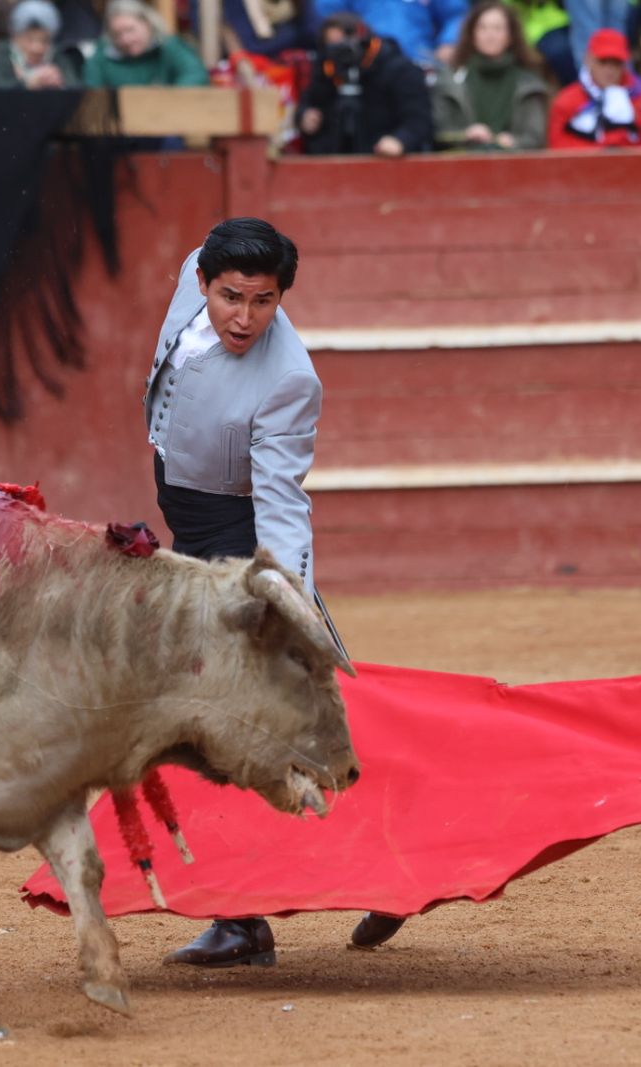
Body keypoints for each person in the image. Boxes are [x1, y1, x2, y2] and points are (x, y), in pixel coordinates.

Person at [146, 218, 404, 966]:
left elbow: (283, 504)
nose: (244, 317)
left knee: (308, 716)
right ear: (203, 281)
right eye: (231, 297)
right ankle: (239, 917)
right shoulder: (194, 269)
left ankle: (393, 870)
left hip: (245, 543)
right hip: (191, 538)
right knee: (198, 727)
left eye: (263, 302)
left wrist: (284, 601)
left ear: (282, 298)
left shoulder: (289, 379)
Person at [298, 13, 434, 156]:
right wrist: (305, 116)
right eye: (332, 46)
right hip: (335, 161)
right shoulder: (326, 69)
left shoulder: (397, 69)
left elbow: (419, 119)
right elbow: (310, 103)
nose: (339, 52)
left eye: (344, 44)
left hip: (385, 160)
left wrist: (401, 140)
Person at [435, 1, 550, 151]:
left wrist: (513, 142)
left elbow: (534, 137)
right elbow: (437, 132)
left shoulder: (529, 83)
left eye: (498, 28)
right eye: (483, 28)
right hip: (462, 164)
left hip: (514, 165)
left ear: (511, 36)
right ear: (472, 34)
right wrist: (465, 135)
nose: (490, 35)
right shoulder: (450, 79)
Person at [547, 26, 641, 148]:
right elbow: (558, 149)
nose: (610, 71)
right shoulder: (565, 102)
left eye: (616, 63)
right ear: (588, 60)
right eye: (603, 62)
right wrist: (603, 150)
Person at [82, 0, 208, 87]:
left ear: (147, 24)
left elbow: (195, 74)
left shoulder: (168, 47)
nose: (126, 39)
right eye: (117, 34)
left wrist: (168, 97)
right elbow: (92, 94)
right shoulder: (101, 59)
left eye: (130, 30)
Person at [312, 0, 468, 68]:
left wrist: (449, 42)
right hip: (364, 64)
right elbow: (329, 14)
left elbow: (456, 14)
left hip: (419, 62)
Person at [0, 0, 81, 88]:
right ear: (16, 37)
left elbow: (76, 88)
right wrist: (27, 84)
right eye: (29, 39)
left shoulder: (58, 58)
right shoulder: (0, 55)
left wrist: (60, 83)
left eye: (44, 41)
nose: (37, 48)